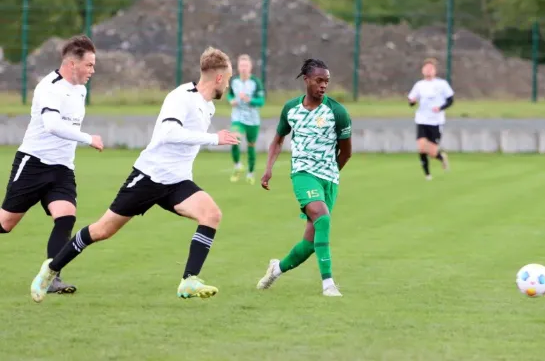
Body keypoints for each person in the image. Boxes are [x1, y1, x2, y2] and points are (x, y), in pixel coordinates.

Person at [30, 46, 239, 303]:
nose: (228, 86)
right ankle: (50, 270)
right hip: (148, 178)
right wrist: (213, 139)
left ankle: (189, 280)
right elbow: (168, 133)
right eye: (228, 80)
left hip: (176, 182)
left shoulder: (208, 107)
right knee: (102, 230)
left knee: (211, 214)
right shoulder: (181, 97)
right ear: (218, 78)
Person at [0, 34, 103, 295]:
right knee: (5, 224)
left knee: (66, 216)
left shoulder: (81, 89)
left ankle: (53, 277)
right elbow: (52, 125)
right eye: (89, 65)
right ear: (71, 64)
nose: (93, 70)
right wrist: (87, 138)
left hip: (62, 169)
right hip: (33, 164)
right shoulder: (49, 87)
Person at [256, 58, 352, 297]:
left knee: (310, 243)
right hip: (302, 174)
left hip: (328, 179)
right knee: (323, 217)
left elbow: (347, 151)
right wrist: (269, 168)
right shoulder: (291, 109)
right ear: (306, 80)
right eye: (319, 80)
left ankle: (276, 269)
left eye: (326, 82)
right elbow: (278, 140)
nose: (323, 86)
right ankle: (328, 284)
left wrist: (330, 171)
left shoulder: (337, 112)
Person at [408, 58, 454, 180]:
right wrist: (412, 101)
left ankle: (441, 157)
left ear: (435, 71)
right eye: (426, 68)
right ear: (423, 71)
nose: (428, 71)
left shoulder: (442, 84)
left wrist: (440, 107)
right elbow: (411, 100)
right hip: (421, 120)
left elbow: (450, 100)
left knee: (433, 152)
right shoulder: (419, 85)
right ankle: (427, 175)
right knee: (421, 147)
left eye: (431, 69)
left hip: (436, 121)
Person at [227, 54, 265, 185]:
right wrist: (231, 100)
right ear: (238, 67)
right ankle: (237, 166)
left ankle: (250, 173)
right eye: (241, 65)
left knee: (251, 146)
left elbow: (261, 101)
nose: (243, 68)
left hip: (253, 121)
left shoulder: (255, 82)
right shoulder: (234, 81)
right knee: (234, 139)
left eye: (246, 66)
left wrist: (250, 100)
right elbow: (230, 94)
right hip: (238, 118)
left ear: (250, 67)